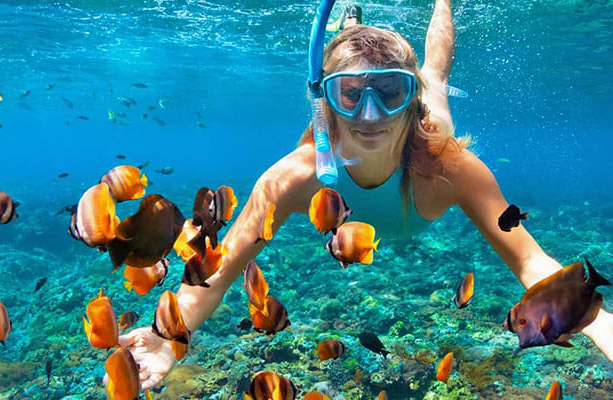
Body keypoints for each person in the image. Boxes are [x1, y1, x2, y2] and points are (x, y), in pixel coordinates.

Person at [118, 0, 613, 390]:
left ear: (409, 98)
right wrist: (168, 338)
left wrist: (600, 322)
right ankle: (350, 19)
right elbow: (219, 270)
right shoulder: (294, 178)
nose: (372, 115)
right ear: (325, 101)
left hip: (433, 119)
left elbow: (530, 261)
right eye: (351, 93)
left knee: (438, 76)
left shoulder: (453, 167)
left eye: (392, 92)